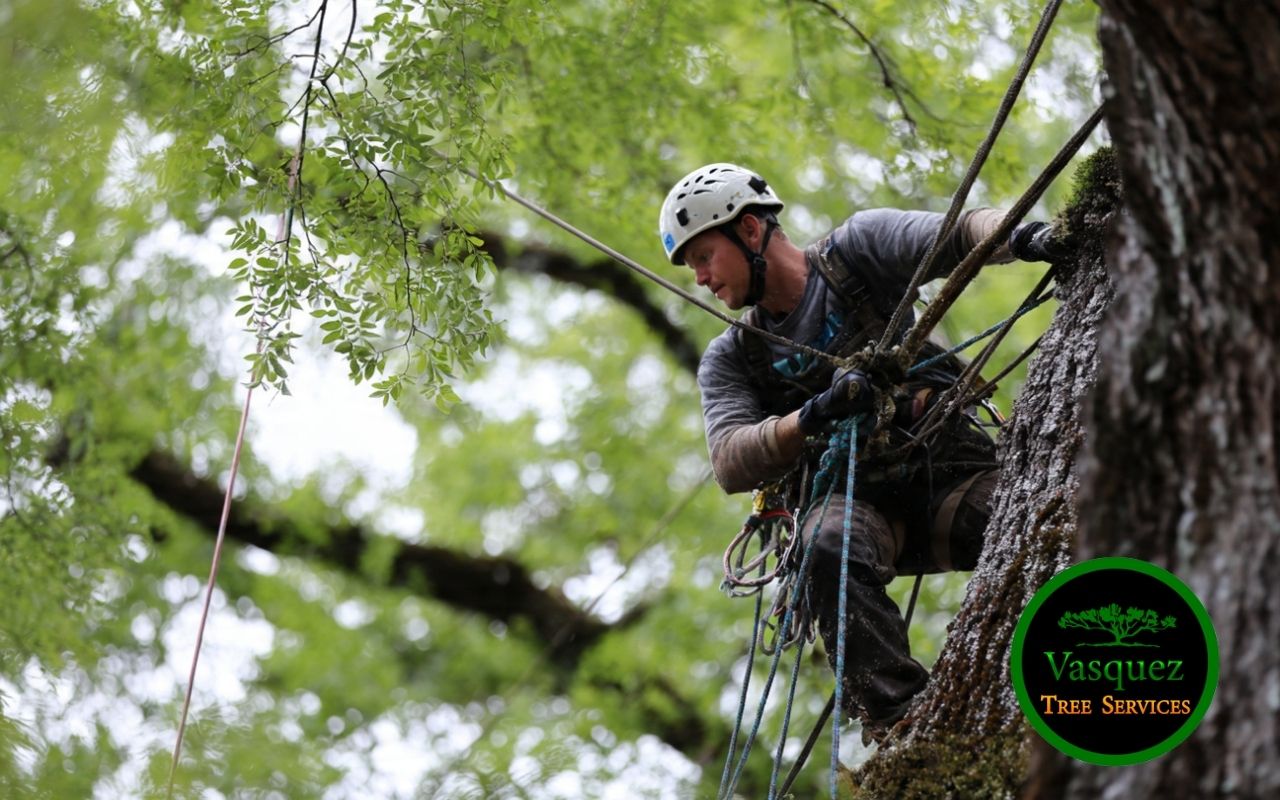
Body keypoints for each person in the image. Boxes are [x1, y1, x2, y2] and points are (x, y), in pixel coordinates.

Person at [658, 162, 1056, 741]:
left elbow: (961, 234)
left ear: (748, 231)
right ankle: (902, 726)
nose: (700, 279)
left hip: (947, 480)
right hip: (858, 515)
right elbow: (729, 460)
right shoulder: (733, 357)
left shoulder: (855, 253)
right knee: (824, 545)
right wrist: (813, 414)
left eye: (701, 257)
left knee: (1047, 521)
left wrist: (1030, 238)